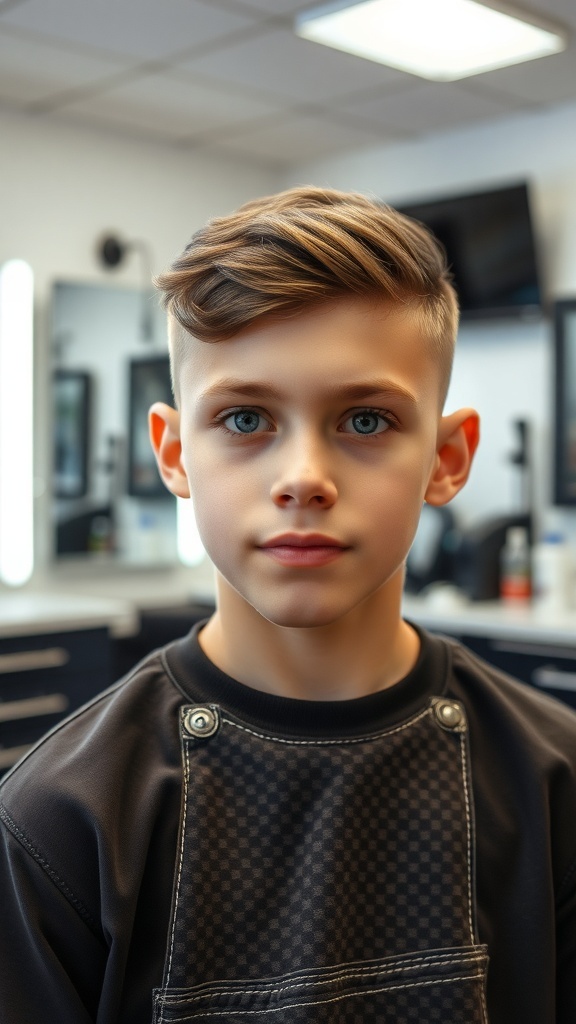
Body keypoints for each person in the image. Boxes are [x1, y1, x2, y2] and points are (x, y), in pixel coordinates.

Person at [0, 186, 574, 1024]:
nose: (303, 476)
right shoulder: (61, 822)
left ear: (448, 459)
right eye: (244, 417)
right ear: (174, 453)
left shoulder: (553, 785)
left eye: (367, 420)